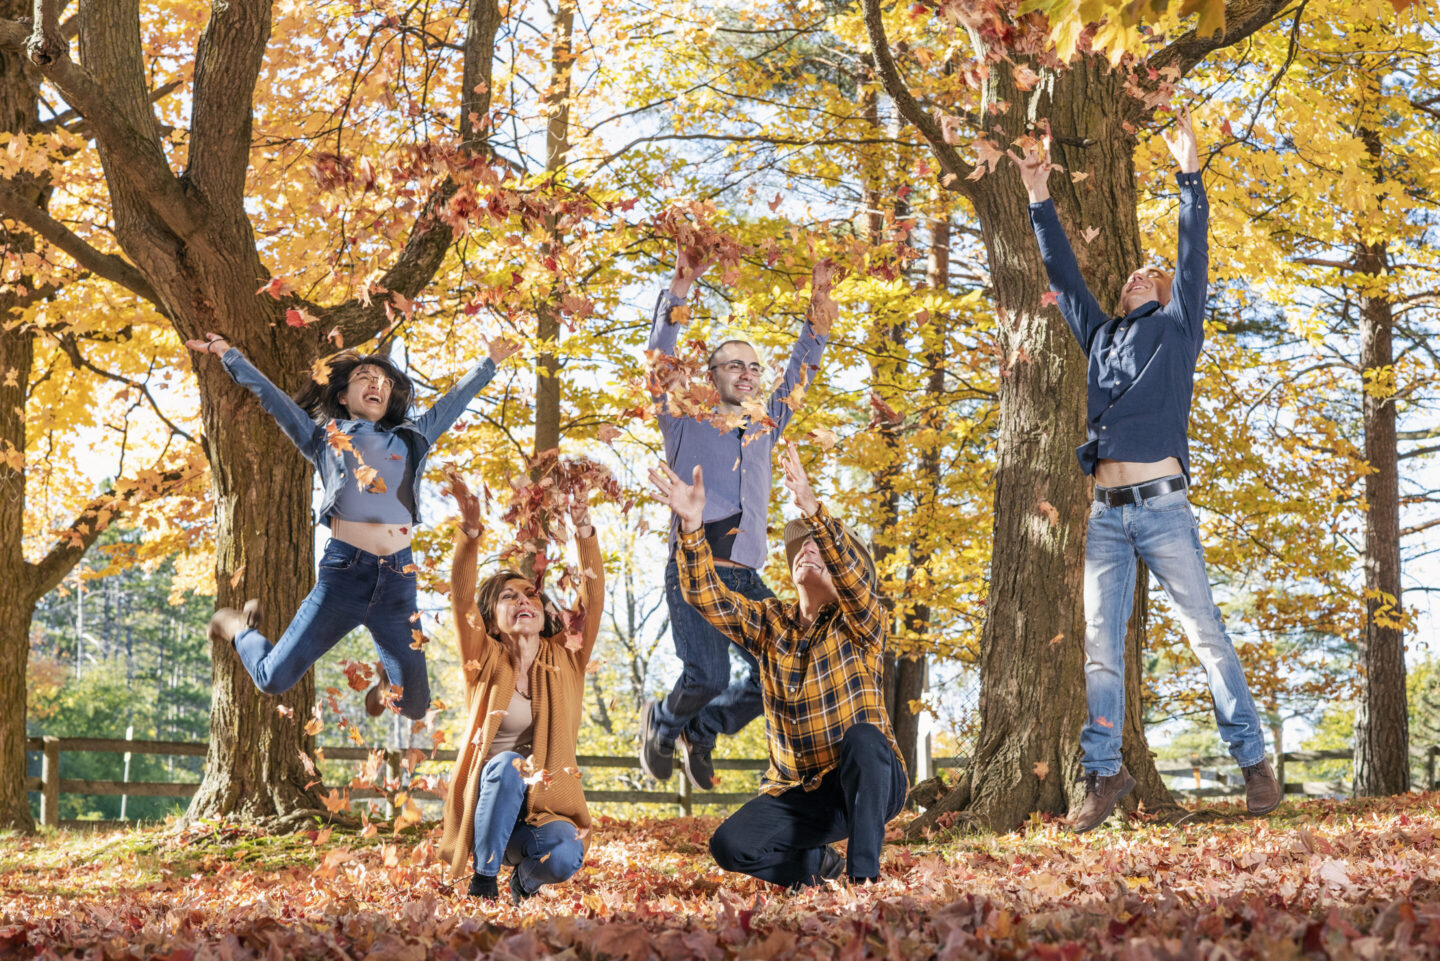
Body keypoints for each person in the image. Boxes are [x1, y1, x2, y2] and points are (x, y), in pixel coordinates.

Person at [1012, 109, 1280, 830]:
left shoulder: (1177, 329)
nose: (1139, 273)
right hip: (1106, 517)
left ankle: (1254, 761)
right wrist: (1039, 195)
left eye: (1148, 273)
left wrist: (1190, 173)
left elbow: (1193, 256)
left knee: (1205, 633)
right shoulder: (1100, 337)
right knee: (1101, 648)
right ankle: (1103, 774)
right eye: (1131, 272)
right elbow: (1065, 276)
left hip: (1163, 510)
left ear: (1163, 294)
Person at [187, 331, 518, 719]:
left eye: (386, 382)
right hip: (344, 578)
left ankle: (384, 686)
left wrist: (490, 361)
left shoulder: (414, 438)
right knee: (271, 678)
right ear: (343, 396)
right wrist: (228, 353)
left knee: (415, 706)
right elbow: (272, 398)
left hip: (397, 583)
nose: (377, 383)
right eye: (365, 377)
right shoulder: (323, 437)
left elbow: (453, 402)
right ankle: (234, 625)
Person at [649, 443, 906, 887]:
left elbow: (858, 585)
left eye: (821, 551)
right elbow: (707, 598)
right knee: (730, 846)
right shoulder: (771, 623)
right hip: (802, 792)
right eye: (804, 548)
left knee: (864, 740)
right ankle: (817, 866)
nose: (809, 550)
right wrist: (692, 526)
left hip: (867, 781)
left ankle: (864, 881)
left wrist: (812, 509)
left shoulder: (861, 622)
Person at [638, 244, 839, 792]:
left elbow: (802, 367)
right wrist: (677, 292)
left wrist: (818, 305)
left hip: (746, 575)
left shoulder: (767, 422)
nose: (747, 374)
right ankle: (664, 721)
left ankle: (703, 728)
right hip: (697, 571)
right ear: (712, 374)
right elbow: (658, 359)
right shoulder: (682, 419)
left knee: (787, 666)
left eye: (754, 367)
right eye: (735, 365)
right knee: (707, 675)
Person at [437, 472, 605, 903]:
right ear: (492, 619)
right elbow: (461, 599)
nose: (524, 601)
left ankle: (522, 883)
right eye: (510, 597)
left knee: (568, 855)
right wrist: (471, 533)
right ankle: (484, 879)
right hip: (489, 805)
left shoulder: (567, 656)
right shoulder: (485, 659)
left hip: (540, 811)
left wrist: (583, 526)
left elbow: (593, 599)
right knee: (510, 761)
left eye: (529, 594)